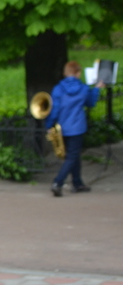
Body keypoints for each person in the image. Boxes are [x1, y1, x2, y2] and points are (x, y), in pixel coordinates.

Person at [45, 61, 103, 196]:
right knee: (72, 157)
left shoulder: (58, 88)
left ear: (65, 73)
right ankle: (57, 182)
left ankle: (78, 183)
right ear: (78, 73)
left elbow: (55, 109)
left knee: (73, 156)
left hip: (62, 128)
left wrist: (49, 125)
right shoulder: (82, 88)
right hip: (77, 127)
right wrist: (97, 88)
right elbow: (91, 102)